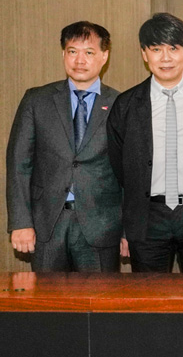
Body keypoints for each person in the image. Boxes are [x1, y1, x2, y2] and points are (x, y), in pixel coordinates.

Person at [107, 13, 183, 273]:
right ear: (144, 54)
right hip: (149, 218)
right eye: (156, 49)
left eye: (173, 48)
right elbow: (119, 164)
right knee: (150, 303)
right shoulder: (127, 104)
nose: (165, 58)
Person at [6, 21, 122, 272]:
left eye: (89, 52)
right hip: (47, 225)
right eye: (72, 51)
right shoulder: (37, 100)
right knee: (49, 307)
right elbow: (19, 165)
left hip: (102, 226)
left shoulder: (121, 104)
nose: (80, 60)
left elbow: (130, 173)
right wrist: (20, 222)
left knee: (99, 306)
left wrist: (127, 231)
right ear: (63, 55)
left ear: (104, 56)